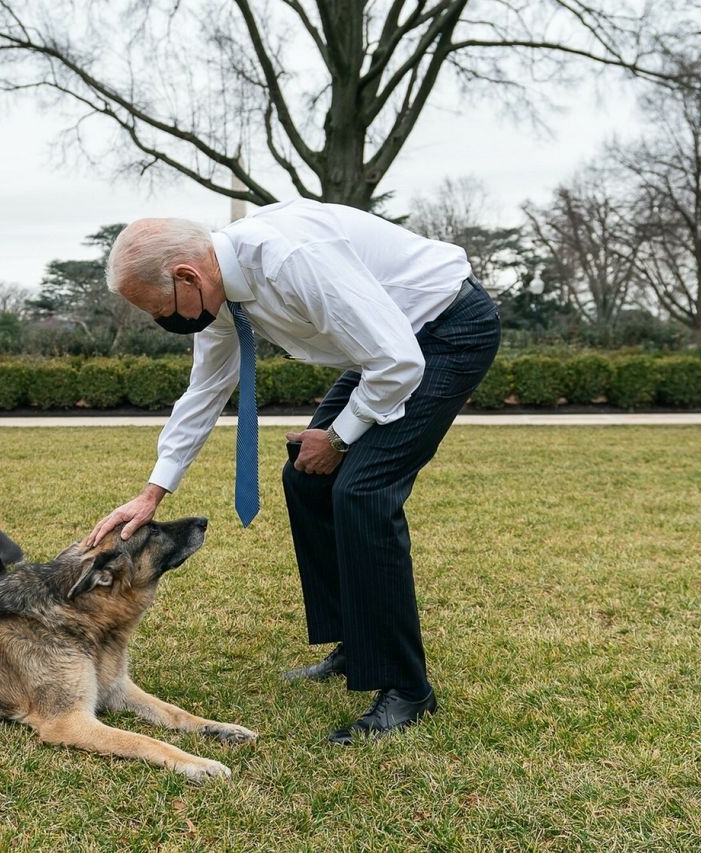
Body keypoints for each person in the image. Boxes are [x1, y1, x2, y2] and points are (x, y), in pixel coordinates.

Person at [86, 198, 500, 743]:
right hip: (386, 347)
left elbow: (400, 362)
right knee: (308, 479)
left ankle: (407, 688)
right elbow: (206, 390)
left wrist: (338, 437)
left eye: (160, 309)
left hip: (443, 333)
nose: (163, 321)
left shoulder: (291, 259)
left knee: (362, 492)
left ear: (187, 275)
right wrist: (152, 494)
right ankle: (357, 643)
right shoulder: (218, 296)